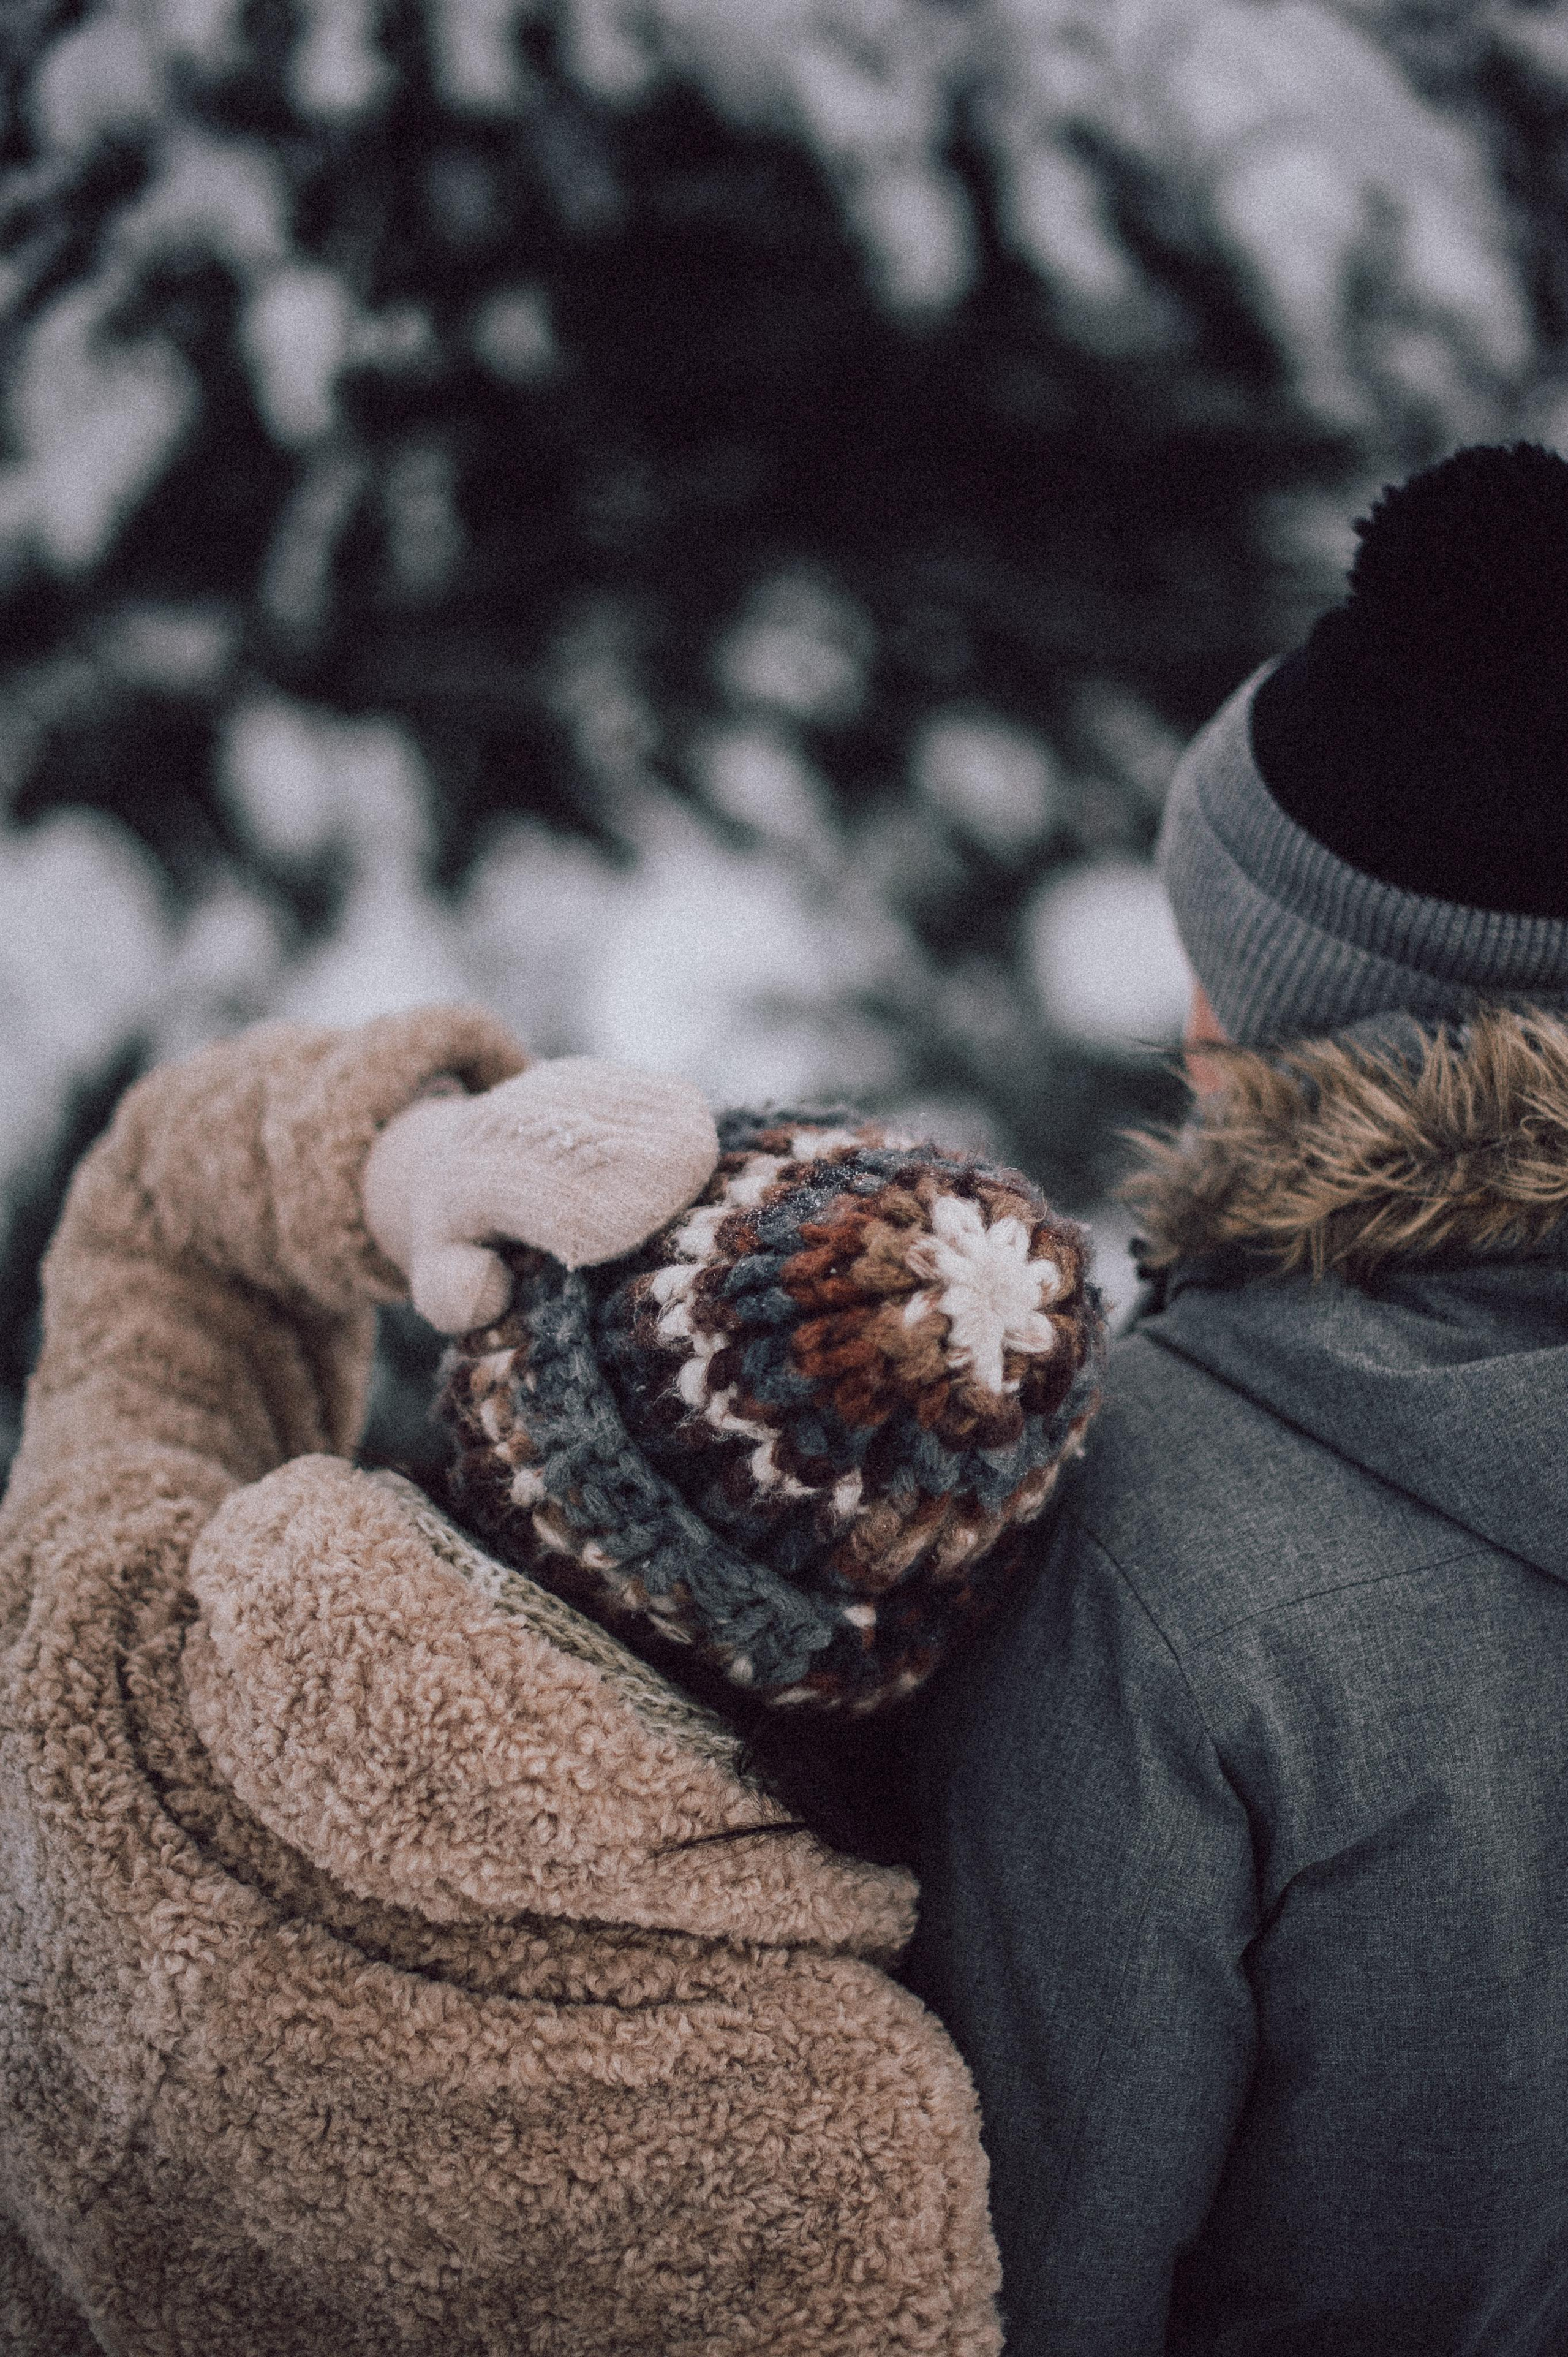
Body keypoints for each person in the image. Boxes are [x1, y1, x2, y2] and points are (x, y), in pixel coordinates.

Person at [0, 1007, 1101, 2353]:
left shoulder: (94, 1624)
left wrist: (406, 1167)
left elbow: (167, 1213)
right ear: (881, 1646)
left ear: (508, 1357)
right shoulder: (817, 2142)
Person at [903, 439, 1568, 2355]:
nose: (1183, 1023)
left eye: (1219, 970)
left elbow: (1010, 2283)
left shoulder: (1147, 1539)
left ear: (1306, 1023)